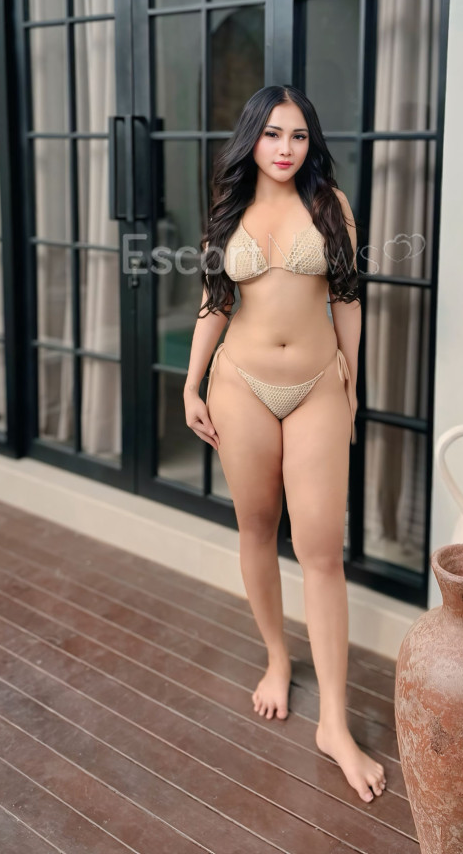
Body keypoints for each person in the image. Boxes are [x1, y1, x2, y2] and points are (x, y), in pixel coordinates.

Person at [183, 84, 386, 805]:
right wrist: (192, 383)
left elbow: (347, 298)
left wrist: (352, 384)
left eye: (298, 135)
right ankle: (276, 657)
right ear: (252, 139)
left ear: (310, 143)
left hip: (316, 386)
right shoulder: (229, 206)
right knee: (257, 528)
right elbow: (215, 301)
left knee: (322, 550)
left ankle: (334, 721)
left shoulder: (330, 206)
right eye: (272, 134)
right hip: (239, 384)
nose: (285, 148)